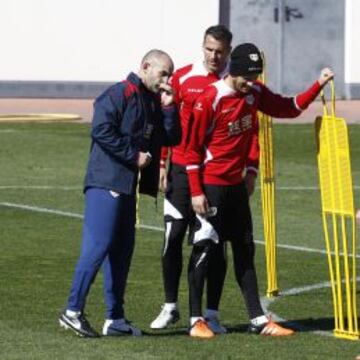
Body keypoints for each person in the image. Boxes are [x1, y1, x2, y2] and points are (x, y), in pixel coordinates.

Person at [185, 43, 334, 338]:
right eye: (247, 77)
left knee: (244, 250)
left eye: (255, 77)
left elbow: (289, 108)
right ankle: (195, 321)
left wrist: (318, 84)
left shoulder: (254, 93)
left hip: (236, 188)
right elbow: (191, 149)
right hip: (210, 186)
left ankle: (257, 320)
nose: (251, 83)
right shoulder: (210, 98)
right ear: (235, 71)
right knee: (206, 249)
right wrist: (195, 191)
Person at [59, 49, 181, 338]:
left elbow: (172, 138)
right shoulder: (119, 93)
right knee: (98, 247)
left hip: (127, 188)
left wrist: (169, 108)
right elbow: (100, 129)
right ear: (145, 66)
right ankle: (72, 311)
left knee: (121, 254)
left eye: (170, 76)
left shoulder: (153, 101)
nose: (166, 80)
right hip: (106, 183)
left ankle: (115, 319)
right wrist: (133, 155)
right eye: (163, 73)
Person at [150, 25, 232, 334]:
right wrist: (161, 164)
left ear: (227, 51)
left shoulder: (231, 82)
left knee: (213, 243)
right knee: (173, 236)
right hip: (181, 171)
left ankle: (210, 313)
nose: (214, 55)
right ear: (203, 47)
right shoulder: (183, 77)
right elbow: (166, 120)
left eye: (220, 51)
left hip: (213, 175)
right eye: (209, 49)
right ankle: (170, 306)